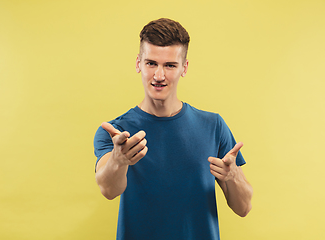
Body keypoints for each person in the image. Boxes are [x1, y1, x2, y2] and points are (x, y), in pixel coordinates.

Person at [93, 18, 253, 240]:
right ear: (138, 63)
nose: (159, 76)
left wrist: (232, 175)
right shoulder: (116, 132)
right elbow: (109, 190)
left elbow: (243, 207)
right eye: (151, 63)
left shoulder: (213, 126)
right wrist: (118, 161)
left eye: (170, 65)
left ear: (184, 68)